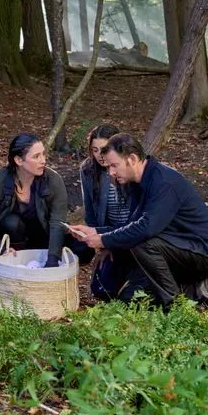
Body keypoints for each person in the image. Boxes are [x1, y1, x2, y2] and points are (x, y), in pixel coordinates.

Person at [70, 133, 208, 308]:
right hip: (174, 246)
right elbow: (132, 224)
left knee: (141, 243)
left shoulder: (163, 182)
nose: (111, 172)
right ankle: (193, 288)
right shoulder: (137, 182)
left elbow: (145, 230)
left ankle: (173, 306)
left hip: (203, 252)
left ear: (133, 159)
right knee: (123, 297)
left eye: (114, 165)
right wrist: (97, 231)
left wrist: (103, 240)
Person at [0, 133, 69, 267]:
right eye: (36, 156)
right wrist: (0, 248)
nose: (43, 160)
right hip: (15, 244)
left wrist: (52, 259)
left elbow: (57, 223)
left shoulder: (53, 181)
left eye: (43, 154)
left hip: (45, 240)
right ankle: (16, 264)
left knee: (82, 247)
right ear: (19, 160)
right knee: (11, 222)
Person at [78, 124, 132, 293]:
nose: (99, 155)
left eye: (104, 149)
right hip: (109, 234)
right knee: (101, 290)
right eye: (94, 150)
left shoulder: (129, 167)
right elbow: (91, 215)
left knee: (130, 290)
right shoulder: (88, 170)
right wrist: (103, 244)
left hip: (133, 235)